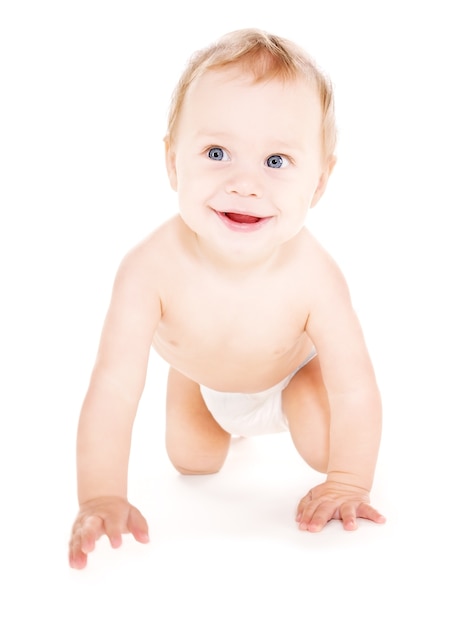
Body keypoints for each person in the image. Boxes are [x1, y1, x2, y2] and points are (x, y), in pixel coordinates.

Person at [68, 28, 385, 569]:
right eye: (217, 152)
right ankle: (189, 381)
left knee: (326, 444)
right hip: (207, 382)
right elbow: (115, 387)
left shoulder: (316, 275)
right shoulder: (148, 270)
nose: (245, 183)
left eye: (277, 161)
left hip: (292, 377)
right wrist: (100, 496)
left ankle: (304, 427)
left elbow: (354, 385)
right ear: (173, 163)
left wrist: (349, 482)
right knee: (193, 463)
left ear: (319, 182)